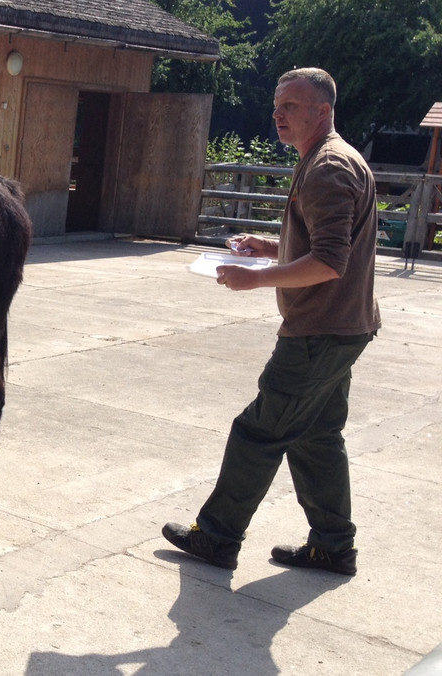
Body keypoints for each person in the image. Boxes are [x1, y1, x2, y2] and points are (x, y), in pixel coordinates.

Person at [162, 67, 381, 575]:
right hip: (344, 327)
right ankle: (333, 545)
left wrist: (255, 279)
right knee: (316, 437)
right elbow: (327, 245)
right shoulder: (333, 159)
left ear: (322, 111)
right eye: (278, 105)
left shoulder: (327, 168)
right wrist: (270, 248)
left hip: (319, 333)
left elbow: (330, 262)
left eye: (292, 105)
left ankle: (217, 536)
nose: (279, 114)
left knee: (257, 432)